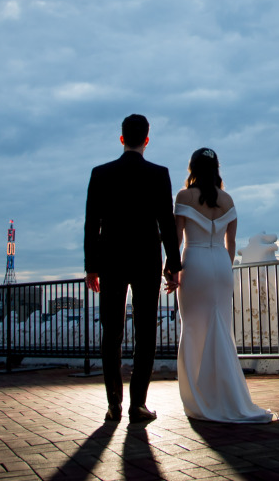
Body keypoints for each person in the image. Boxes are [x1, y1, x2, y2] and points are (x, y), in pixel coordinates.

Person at [84, 114, 182, 423]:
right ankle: (138, 404)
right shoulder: (159, 174)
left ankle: (114, 404)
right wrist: (173, 264)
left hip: (111, 260)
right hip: (146, 259)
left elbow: (91, 225)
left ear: (122, 138)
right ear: (147, 140)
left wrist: (91, 267)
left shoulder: (100, 174)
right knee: (145, 332)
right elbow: (166, 222)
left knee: (111, 333)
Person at [172, 148, 278, 423]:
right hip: (221, 264)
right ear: (217, 168)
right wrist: (222, 266)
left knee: (194, 328)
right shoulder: (228, 200)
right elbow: (231, 244)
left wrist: (171, 270)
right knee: (220, 328)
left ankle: (199, 397)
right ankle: (227, 395)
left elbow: (176, 240)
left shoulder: (184, 197)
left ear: (192, 168)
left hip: (194, 263)